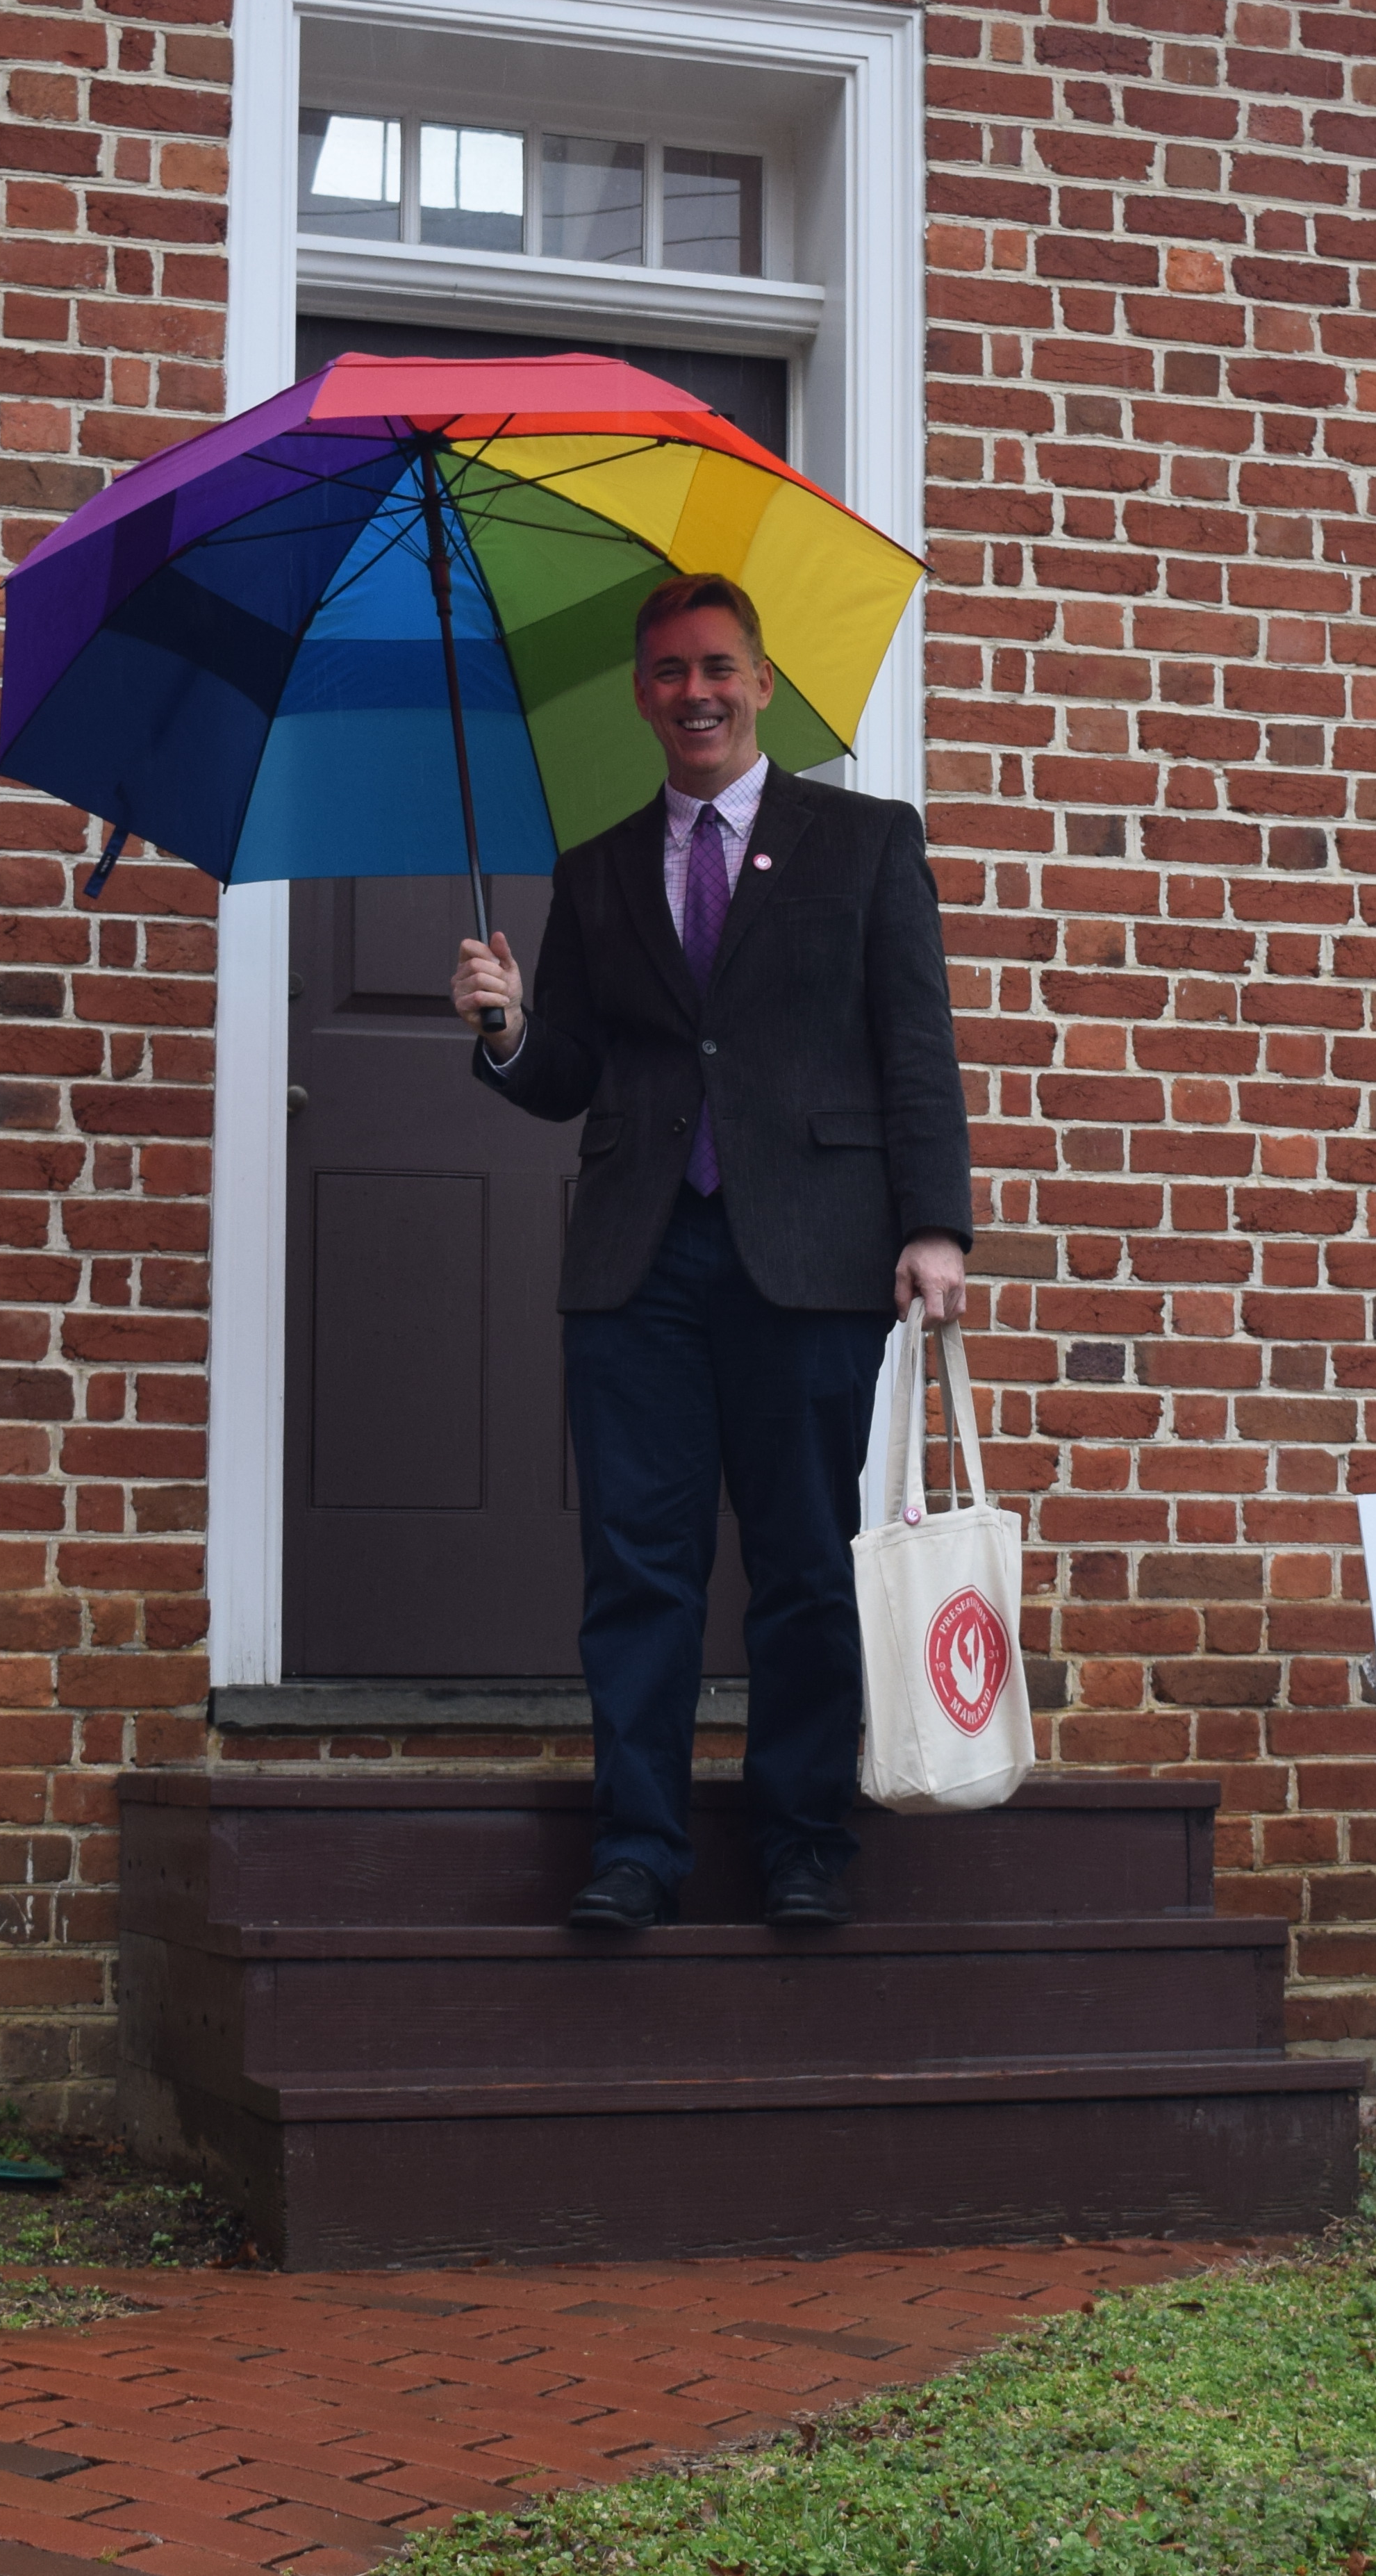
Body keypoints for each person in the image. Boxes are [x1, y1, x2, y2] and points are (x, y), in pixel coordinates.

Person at [451, 572, 972, 1933]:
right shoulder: (599, 866)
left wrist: (933, 1224)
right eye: (672, 670)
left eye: (720, 667)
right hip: (639, 1262)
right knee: (641, 1566)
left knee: (803, 1559)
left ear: (763, 681)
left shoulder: (864, 842)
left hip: (808, 1255)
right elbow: (572, 1069)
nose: (697, 692)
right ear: (641, 692)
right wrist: (507, 1026)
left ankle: (804, 1841)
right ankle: (639, 1844)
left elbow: (916, 1047)